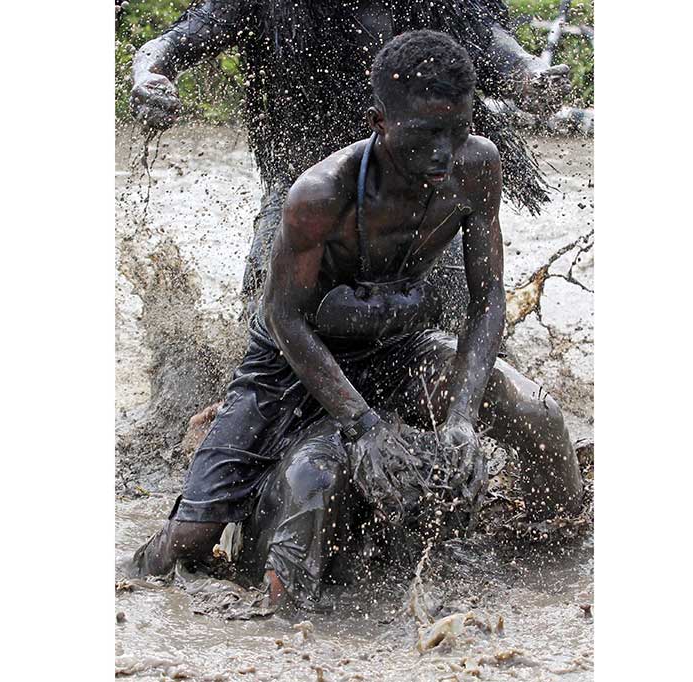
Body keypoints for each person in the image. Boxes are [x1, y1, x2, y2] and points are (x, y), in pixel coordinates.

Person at [129, 30, 584, 607]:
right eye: (424, 136)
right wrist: (363, 424)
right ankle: (150, 558)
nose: (442, 155)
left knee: (535, 411)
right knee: (192, 539)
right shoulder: (320, 196)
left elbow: (488, 298)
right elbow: (284, 318)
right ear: (379, 123)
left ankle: (558, 553)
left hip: (400, 345)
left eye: (456, 132)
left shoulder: (477, 167)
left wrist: (463, 417)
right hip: (289, 367)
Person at [128, 0, 571, 312]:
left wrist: (528, 75)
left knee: (461, 310)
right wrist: (150, 76)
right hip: (305, 190)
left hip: (416, 189)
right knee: (265, 320)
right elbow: (175, 42)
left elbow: (484, 38)